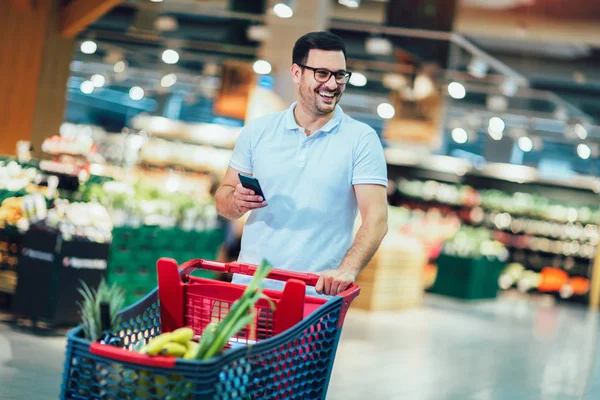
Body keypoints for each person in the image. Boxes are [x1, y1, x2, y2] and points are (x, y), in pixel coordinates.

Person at [215, 31, 388, 296]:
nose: (332, 84)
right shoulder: (258, 131)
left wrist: (347, 269)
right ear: (297, 73)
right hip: (250, 290)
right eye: (321, 73)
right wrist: (236, 202)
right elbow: (224, 199)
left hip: (314, 297)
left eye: (340, 75)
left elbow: (376, 218)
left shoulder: (361, 140)